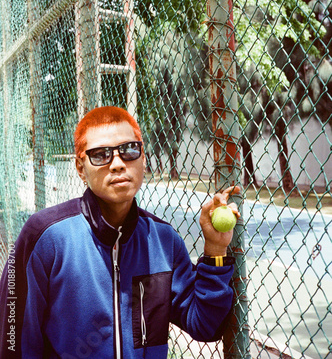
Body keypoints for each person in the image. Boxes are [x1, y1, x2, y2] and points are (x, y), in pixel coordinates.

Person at [0, 106, 240, 359]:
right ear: (81, 168)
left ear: (143, 159)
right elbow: (14, 342)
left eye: (128, 150)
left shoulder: (163, 240)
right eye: (100, 155)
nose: (117, 164)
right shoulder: (44, 236)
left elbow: (205, 326)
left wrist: (215, 249)